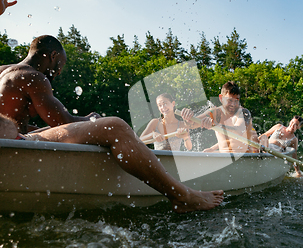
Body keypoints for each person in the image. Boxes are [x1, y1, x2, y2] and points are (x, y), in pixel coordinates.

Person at [0, 113, 224, 213]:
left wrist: (185, 135)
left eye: (166, 103)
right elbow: (140, 137)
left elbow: (188, 147)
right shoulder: (156, 122)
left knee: (116, 128)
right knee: (114, 126)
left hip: (20, 138)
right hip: (16, 140)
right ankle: (182, 196)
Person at [0, 35, 100, 133]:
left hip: (7, 139)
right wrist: (92, 119)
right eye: (62, 63)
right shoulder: (33, 77)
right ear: (53, 56)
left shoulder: (2, 71)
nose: (59, 72)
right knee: (111, 125)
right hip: (9, 145)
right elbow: (64, 123)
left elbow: (11, 124)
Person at [181, 81, 259, 153]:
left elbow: (239, 131)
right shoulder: (214, 112)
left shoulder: (243, 112)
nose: (233, 104)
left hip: (245, 157)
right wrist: (188, 118)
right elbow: (191, 125)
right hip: (225, 156)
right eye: (230, 100)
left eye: (236, 101)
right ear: (221, 98)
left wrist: (216, 125)